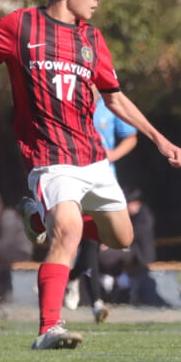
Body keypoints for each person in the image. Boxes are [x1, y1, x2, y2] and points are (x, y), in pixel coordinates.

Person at [0, 0, 181, 349]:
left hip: (93, 159)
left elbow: (114, 98)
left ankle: (40, 219)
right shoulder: (20, 26)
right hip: (50, 159)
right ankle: (48, 329)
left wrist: (158, 138)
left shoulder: (92, 40)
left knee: (122, 238)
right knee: (69, 233)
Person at [67, 89, 139, 323]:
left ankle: (73, 278)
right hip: (74, 180)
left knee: (91, 244)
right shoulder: (70, 102)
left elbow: (131, 136)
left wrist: (113, 155)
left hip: (104, 184)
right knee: (75, 239)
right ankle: (96, 302)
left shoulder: (109, 105)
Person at [98, 188, 161, 305]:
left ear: (136, 204)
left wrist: (111, 243)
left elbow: (132, 236)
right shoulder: (131, 216)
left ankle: (116, 282)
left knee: (107, 256)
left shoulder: (144, 217)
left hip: (140, 254)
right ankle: (112, 280)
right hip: (128, 252)